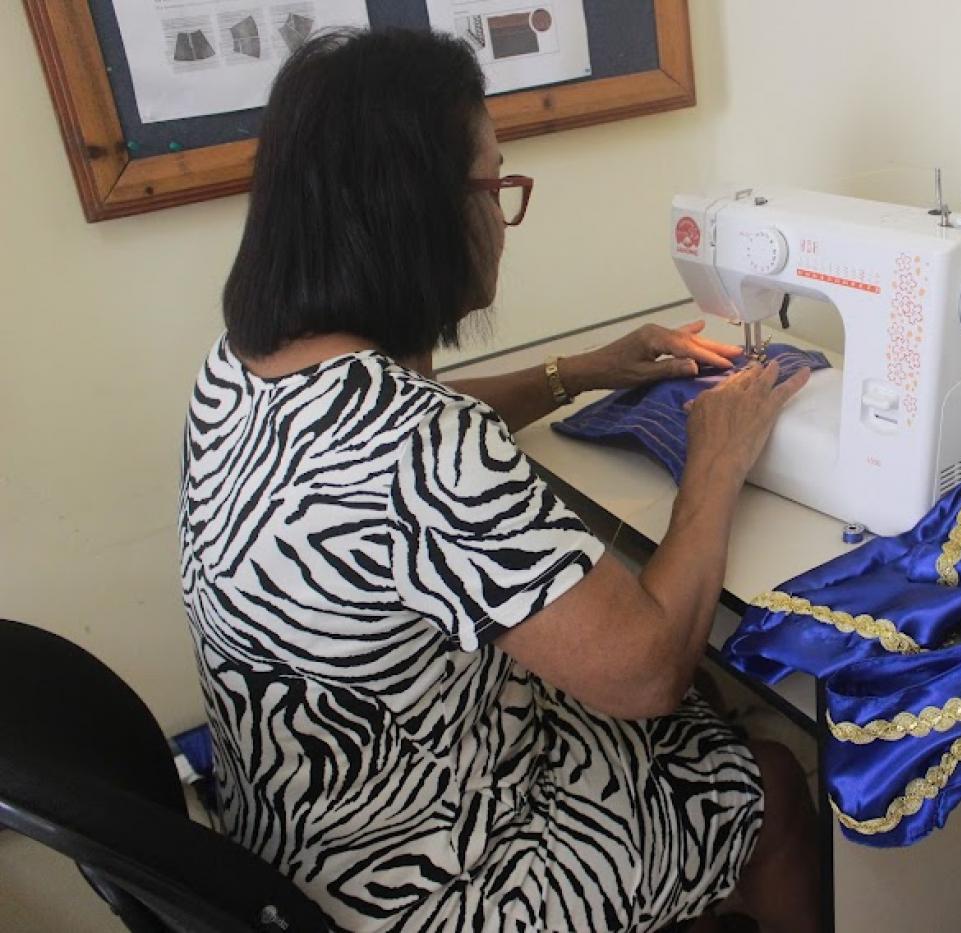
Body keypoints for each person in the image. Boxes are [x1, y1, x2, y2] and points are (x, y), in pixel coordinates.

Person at [178, 27, 819, 933]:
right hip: (431, 883)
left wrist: (579, 372)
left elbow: (401, 421)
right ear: (422, 213)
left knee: (707, 709)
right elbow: (645, 674)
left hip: (295, 836)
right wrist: (714, 465)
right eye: (495, 185)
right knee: (776, 777)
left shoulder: (241, 367)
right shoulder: (422, 446)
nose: (502, 215)